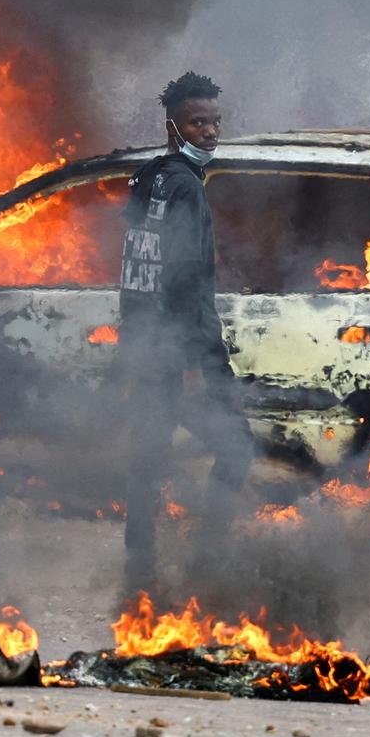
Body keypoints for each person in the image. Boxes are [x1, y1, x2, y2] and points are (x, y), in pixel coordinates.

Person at [116, 71, 254, 593]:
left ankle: (140, 561)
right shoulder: (187, 190)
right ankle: (209, 559)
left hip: (144, 346)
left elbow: (133, 266)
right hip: (177, 352)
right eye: (199, 123)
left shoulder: (147, 179)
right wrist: (200, 365)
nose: (211, 133)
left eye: (216, 122)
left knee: (148, 454)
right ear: (173, 126)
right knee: (237, 449)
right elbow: (185, 282)